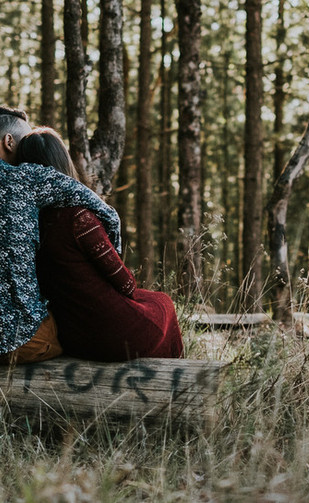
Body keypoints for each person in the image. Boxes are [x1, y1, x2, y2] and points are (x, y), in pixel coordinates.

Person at [0, 105, 123, 364]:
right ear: (9, 142)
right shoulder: (27, 178)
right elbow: (107, 214)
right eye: (26, 140)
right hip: (18, 342)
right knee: (75, 329)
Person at [16, 127, 184, 362]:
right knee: (163, 302)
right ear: (63, 164)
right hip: (112, 335)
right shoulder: (79, 217)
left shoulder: (21, 222)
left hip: (69, 336)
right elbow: (126, 284)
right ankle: (175, 387)